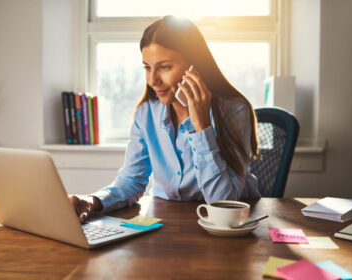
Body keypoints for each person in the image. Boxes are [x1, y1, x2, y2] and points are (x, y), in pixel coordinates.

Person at [70, 15, 260, 223]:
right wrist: (93, 200)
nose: (152, 80)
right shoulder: (146, 113)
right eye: (147, 67)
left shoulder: (233, 111)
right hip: (164, 224)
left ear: (194, 67)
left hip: (226, 229)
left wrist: (201, 126)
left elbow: (222, 202)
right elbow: (132, 181)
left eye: (164, 67)